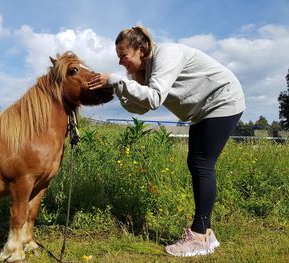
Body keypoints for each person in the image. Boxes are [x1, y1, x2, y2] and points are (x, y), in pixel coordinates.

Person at [88, 25, 245, 257]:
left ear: (141, 49)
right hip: (203, 110)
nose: (121, 62)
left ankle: (200, 236)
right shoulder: (143, 71)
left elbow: (153, 99)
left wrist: (115, 80)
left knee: (202, 164)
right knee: (197, 164)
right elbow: (139, 108)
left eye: (124, 56)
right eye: (118, 57)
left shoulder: (166, 55)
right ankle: (206, 233)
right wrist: (117, 89)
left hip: (223, 99)